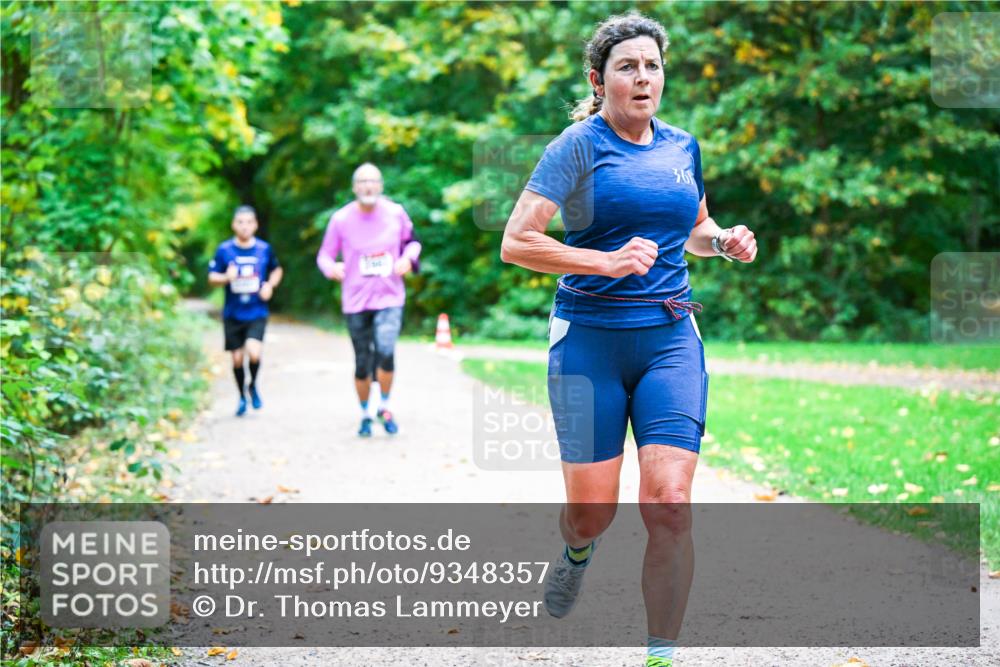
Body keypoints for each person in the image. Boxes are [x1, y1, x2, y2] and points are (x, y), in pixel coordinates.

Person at [500, 12, 757, 667]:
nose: (643, 78)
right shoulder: (577, 148)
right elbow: (517, 241)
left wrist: (724, 243)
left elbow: (694, 228)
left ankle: (660, 654)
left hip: (670, 336)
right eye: (627, 67)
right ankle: (576, 550)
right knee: (593, 514)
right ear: (599, 78)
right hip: (589, 340)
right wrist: (604, 261)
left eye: (652, 66)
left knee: (669, 502)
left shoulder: (682, 147)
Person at [316, 163, 421, 437]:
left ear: (381, 186)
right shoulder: (340, 219)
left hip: (390, 297)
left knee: (385, 351)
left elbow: (413, 242)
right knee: (363, 362)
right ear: (354, 187)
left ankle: (384, 406)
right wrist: (331, 268)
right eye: (362, 181)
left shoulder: (396, 213)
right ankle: (365, 412)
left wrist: (408, 258)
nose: (368, 186)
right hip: (355, 301)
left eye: (373, 181)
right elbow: (324, 255)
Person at [208, 205, 283, 417]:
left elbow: (277, 269)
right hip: (233, 313)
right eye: (240, 222)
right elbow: (212, 277)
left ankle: (254, 386)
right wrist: (225, 277)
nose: (244, 226)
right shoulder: (224, 250)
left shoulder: (264, 249)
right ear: (233, 225)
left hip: (257, 311)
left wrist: (269, 285)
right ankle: (242, 395)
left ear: (256, 225)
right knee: (237, 359)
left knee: (254, 351)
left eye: (249, 222)